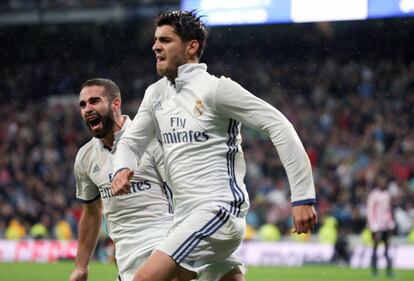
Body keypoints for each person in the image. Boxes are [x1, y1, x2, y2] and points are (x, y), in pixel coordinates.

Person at [111, 10, 317, 281]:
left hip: (218, 210)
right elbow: (130, 141)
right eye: (155, 40)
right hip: (184, 217)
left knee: (144, 278)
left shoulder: (216, 90)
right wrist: (122, 168)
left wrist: (303, 197)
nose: (155, 46)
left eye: (165, 40)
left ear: (192, 46)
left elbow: (278, 124)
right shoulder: (156, 94)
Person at [68, 78, 174, 281]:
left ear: (116, 103)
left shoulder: (151, 139)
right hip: (126, 260)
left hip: (164, 246)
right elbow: (92, 212)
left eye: (94, 101)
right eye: (83, 104)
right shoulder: (85, 157)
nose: (87, 109)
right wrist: (81, 266)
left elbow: (180, 191)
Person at [366, 175, 395, 277]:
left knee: (387, 248)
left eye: (384, 182)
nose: (383, 183)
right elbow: (370, 210)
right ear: (378, 183)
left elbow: (388, 210)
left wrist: (391, 223)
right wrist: (373, 225)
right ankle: (374, 271)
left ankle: (389, 271)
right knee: (375, 247)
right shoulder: (373, 195)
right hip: (376, 226)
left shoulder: (387, 194)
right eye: (381, 181)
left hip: (385, 226)